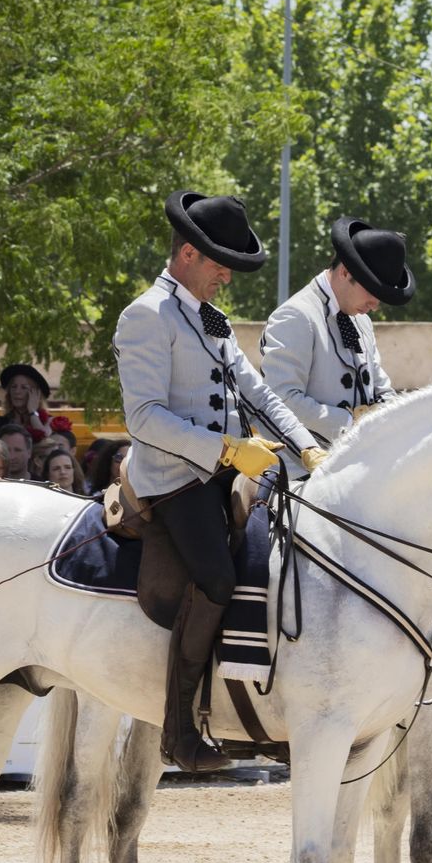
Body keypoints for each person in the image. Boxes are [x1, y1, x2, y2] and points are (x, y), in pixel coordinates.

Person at [115, 190, 322, 772]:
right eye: (218, 264)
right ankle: (179, 730)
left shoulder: (211, 318)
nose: (225, 276)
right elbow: (144, 417)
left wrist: (307, 447)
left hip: (228, 469)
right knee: (217, 578)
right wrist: (229, 449)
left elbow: (257, 392)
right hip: (172, 480)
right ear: (186, 254)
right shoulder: (146, 316)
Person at [260, 215, 406, 477]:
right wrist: (352, 423)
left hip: (360, 464)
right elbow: (281, 399)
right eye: (372, 291)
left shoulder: (362, 321)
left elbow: (381, 388)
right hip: (303, 472)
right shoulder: (296, 315)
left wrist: (394, 416)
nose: (376, 304)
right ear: (345, 272)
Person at [0, 364, 53, 443]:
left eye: (24, 387)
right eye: (13, 387)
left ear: (36, 394)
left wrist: (32, 412)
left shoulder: (49, 421)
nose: (17, 392)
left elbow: (45, 441)